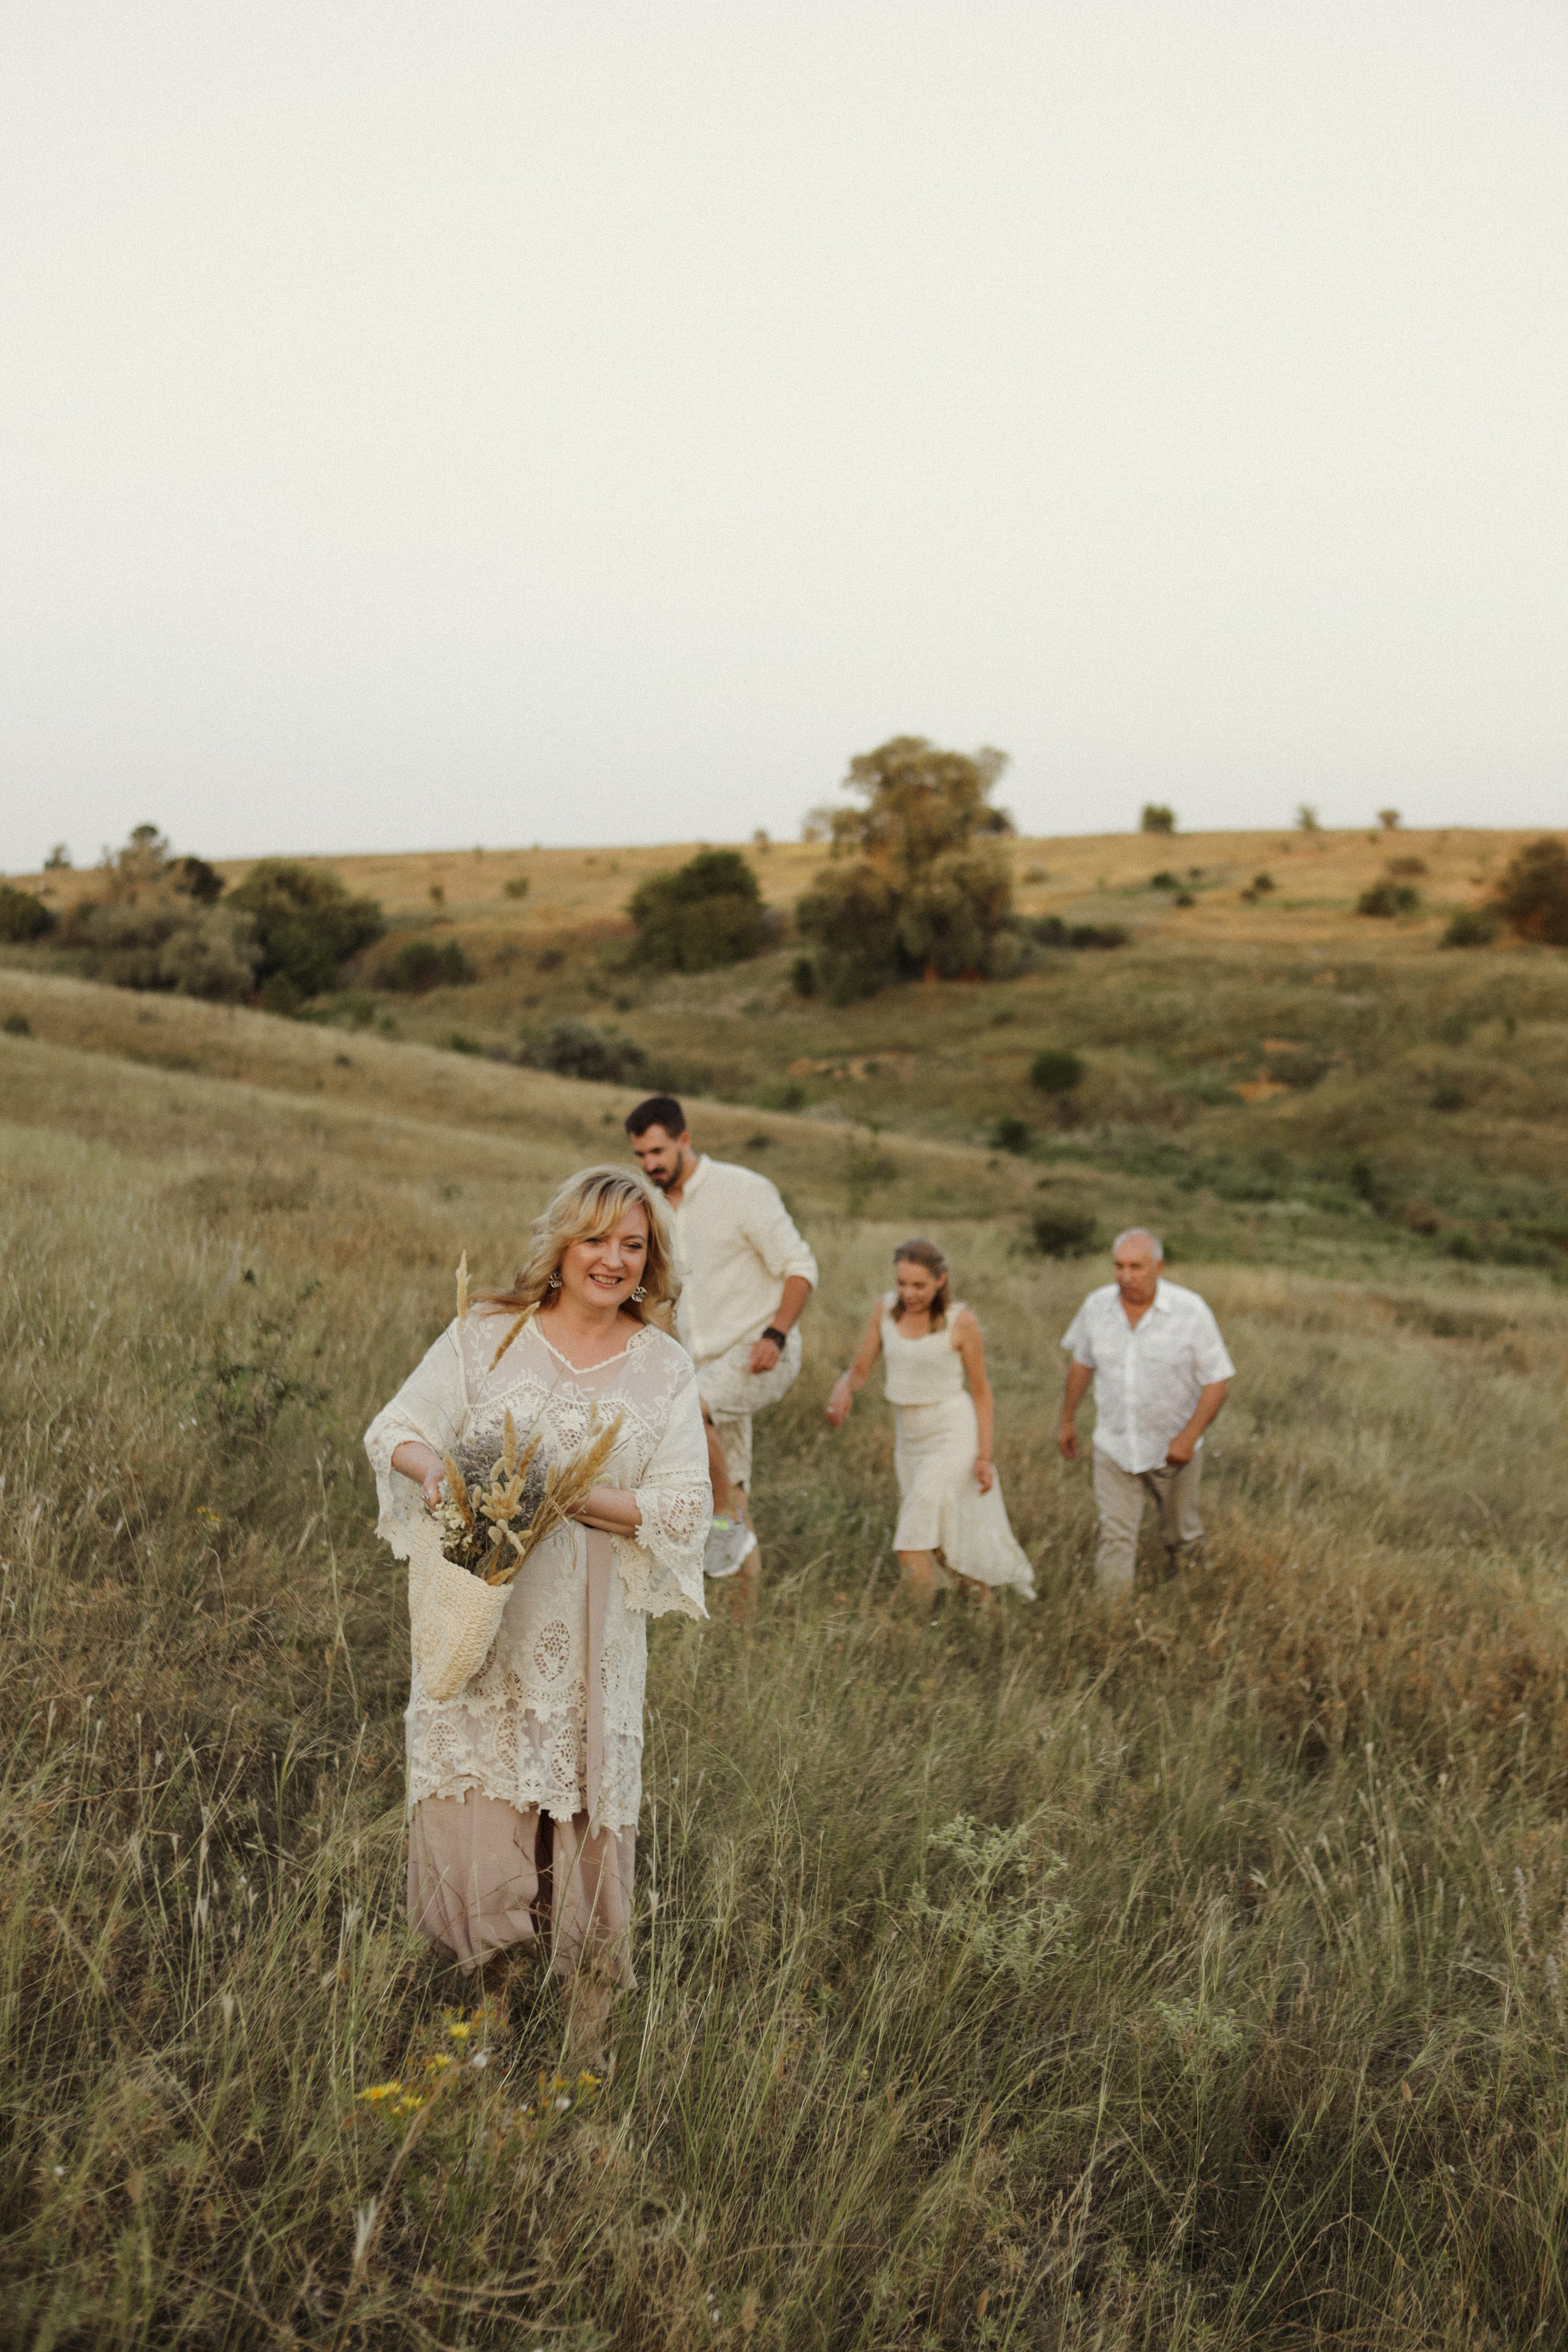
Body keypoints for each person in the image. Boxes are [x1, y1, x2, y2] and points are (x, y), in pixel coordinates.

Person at [363, 1166, 710, 2053]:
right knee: (482, 1814)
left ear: (651, 1260)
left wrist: (568, 1495)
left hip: (589, 1634)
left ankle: (585, 2052)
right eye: (597, 1239)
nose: (613, 1260)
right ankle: (490, 2026)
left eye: (633, 1245)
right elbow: (393, 1428)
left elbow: (684, 1507)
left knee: (584, 1818)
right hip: (485, 1615)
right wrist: (441, 1474)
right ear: (562, 1244)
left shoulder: (663, 1366)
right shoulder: (489, 1332)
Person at [626, 1095, 817, 1594]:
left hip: (761, 1351)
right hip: (703, 1369)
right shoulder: (654, 1210)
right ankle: (743, 1604)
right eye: (641, 1157)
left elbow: (800, 1268)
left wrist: (776, 1334)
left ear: (685, 1140)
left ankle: (720, 1520)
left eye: (658, 1152)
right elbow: (656, 1290)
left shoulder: (744, 1191)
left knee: (689, 1412)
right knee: (730, 1484)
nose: (651, 1165)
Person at [824, 1238, 1035, 1608]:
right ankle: (984, 1605)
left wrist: (985, 1456)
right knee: (935, 1540)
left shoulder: (960, 1321)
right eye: (902, 1283)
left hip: (952, 1433)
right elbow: (860, 1370)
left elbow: (982, 1391)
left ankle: (915, 1627)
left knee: (911, 1539)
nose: (908, 1293)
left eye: (918, 1285)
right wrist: (844, 1388)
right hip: (909, 1439)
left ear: (941, 1281)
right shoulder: (885, 1311)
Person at [1057, 1227, 1234, 1593]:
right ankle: (1111, 1622)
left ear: (1159, 1268)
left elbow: (1218, 1381)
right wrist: (1067, 1420)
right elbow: (1082, 1363)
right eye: (1119, 1266)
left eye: (1136, 1267)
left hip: (1172, 1450)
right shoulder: (1097, 1307)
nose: (1126, 1277)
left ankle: (1190, 1601)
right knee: (1116, 1535)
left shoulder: (1191, 1311)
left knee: (1181, 1536)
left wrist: (1188, 1437)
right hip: (1115, 1444)